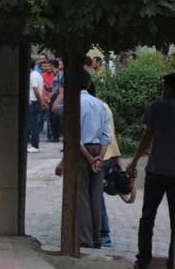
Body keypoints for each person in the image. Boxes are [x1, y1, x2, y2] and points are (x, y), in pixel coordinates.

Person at [127, 73, 175, 269]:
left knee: (147, 218)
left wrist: (134, 161)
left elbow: (147, 137)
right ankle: (173, 261)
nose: (162, 89)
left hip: (156, 170)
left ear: (170, 88)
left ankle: (143, 259)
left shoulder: (156, 107)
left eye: (164, 85)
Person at [77, 72, 111, 248]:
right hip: (99, 149)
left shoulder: (75, 104)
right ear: (89, 83)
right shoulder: (100, 104)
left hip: (83, 152)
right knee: (96, 194)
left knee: (81, 195)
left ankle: (84, 238)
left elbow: (75, 136)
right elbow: (106, 135)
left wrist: (90, 158)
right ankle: (97, 237)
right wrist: (99, 157)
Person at [96, 83, 121, 248]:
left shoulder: (92, 107)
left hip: (99, 155)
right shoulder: (104, 106)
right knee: (96, 194)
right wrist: (118, 157)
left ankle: (103, 233)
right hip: (110, 154)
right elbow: (111, 132)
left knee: (95, 195)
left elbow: (104, 134)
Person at [28, 59, 45, 153]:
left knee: (33, 124)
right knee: (33, 123)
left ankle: (35, 145)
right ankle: (33, 144)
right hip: (35, 101)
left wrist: (41, 101)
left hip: (34, 102)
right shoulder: (37, 75)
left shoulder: (33, 75)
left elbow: (36, 89)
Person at [41, 59, 55, 141]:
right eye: (46, 66)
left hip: (52, 99)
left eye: (49, 66)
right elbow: (41, 88)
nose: (48, 68)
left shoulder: (55, 75)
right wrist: (43, 98)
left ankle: (50, 135)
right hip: (45, 98)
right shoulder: (42, 75)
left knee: (50, 118)